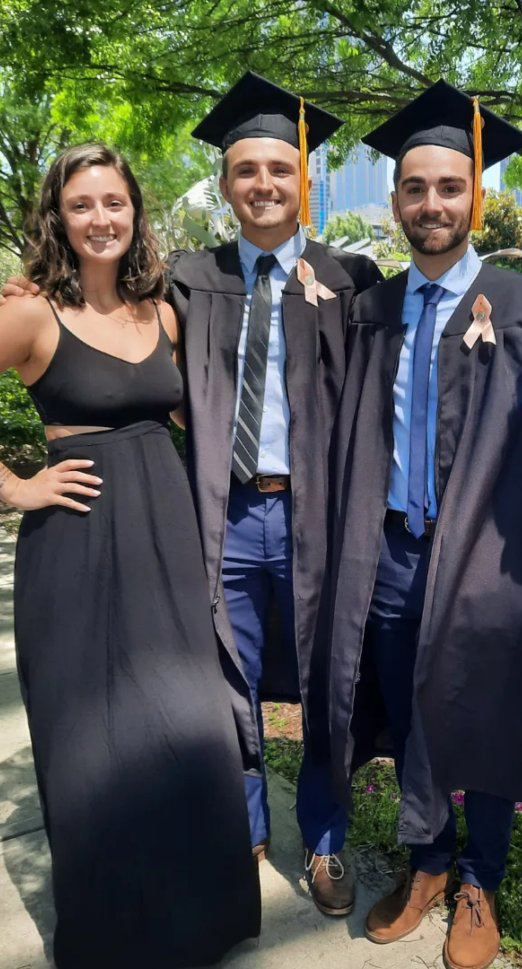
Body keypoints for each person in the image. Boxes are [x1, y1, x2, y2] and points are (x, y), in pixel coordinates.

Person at [324, 80, 522, 969]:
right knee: (410, 708)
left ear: (478, 193)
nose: (433, 203)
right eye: (415, 188)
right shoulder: (374, 310)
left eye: (450, 186)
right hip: (393, 548)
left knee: (492, 709)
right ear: (395, 201)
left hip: (491, 556)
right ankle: (427, 860)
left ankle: (481, 878)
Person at [0, 144, 259, 969]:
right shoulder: (30, 309)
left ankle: (199, 923)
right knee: (92, 745)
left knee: (186, 725)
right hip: (74, 548)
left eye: (115, 202)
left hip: (165, 538)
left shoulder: (164, 311)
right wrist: (16, 488)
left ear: (135, 213)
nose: (101, 218)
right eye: (82, 205)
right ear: (58, 217)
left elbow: (188, 412)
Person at [168, 72, 382, 915]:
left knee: (329, 679)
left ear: (305, 179)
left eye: (280, 168)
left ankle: (326, 843)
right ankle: (246, 829)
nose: (264, 184)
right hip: (222, 516)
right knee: (229, 682)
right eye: (246, 169)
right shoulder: (189, 277)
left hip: (316, 519)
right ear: (225, 183)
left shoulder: (354, 279)